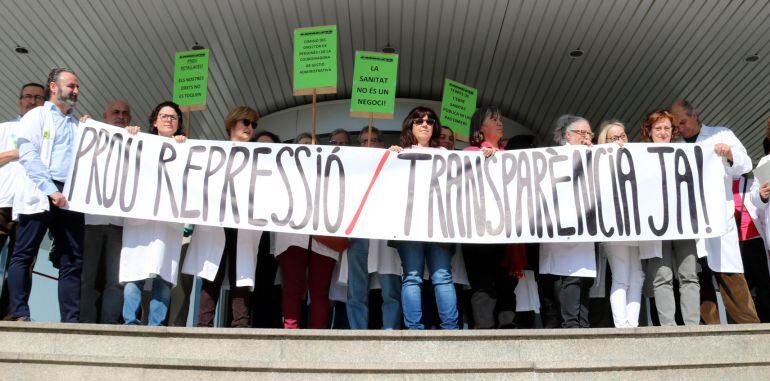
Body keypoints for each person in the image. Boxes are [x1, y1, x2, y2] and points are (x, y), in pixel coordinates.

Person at [672, 99, 759, 324]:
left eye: (683, 121)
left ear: (695, 115)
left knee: (731, 277)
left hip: (719, 219)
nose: (681, 128)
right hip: (690, 223)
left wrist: (730, 153)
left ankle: (752, 333)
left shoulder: (721, 134)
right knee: (698, 280)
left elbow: (746, 165)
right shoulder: (675, 147)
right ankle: (710, 336)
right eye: (677, 125)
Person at [8, 69, 83, 322]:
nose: (75, 91)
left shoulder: (78, 125)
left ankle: (71, 321)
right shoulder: (36, 116)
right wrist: (51, 190)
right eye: (71, 85)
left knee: (72, 257)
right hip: (42, 192)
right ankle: (19, 313)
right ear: (53, 87)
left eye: (77, 87)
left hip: (70, 196)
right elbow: (28, 154)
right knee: (24, 252)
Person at [182, 107, 263, 327]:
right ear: (232, 124)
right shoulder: (213, 153)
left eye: (253, 124)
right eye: (246, 122)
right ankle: (203, 325)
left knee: (241, 276)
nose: (249, 128)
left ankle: (240, 325)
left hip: (244, 223)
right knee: (211, 274)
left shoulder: (261, 158)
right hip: (217, 221)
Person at [389, 106, 459, 330]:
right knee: (412, 276)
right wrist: (388, 158)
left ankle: (450, 328)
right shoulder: (398, 154)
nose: (425, 124)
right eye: (419, 121)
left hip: (439, 224)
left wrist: (487, 155)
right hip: (408, 225)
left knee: (442, 276)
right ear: (411, 125)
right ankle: (414, 329)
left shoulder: (447, 156)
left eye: (429, 121)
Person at [119, 101, 187, 326]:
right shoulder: (138, 142)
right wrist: (128, 135)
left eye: (174, 117)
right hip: (141, 220)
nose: (168, 120)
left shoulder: (186, 149)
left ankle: (156, 325)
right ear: (154, 121)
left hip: (168, 223)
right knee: (135, 271)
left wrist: (183, 147)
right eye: (164, 116)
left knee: (164, 275)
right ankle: (130, 320)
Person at [639, 109, 700, 326]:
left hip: (683, 223)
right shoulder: (640, 157)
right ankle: (668, 328)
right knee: (661, 276)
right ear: (649, 131)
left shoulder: (686, 153)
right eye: (658, 128)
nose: (663, 133)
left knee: (689, 274)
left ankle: (692, 327)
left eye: (667, 128)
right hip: (657, 225)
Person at [461, 106, 518, 328]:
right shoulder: (469, 154)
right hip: (479, 230)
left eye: (500, 118)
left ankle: (507, 327)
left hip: (508, 229)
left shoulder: (514, 157)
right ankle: (485, 331)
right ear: (480, 127)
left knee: (506, 282)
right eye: (493, 119)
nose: (499, 122)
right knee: (483, 281)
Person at [539, 115, 596, 328]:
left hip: (587, 226)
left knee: (584, 277)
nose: (586, 137)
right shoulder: (553, 158)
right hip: (564, 226)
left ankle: (583, 324)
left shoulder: (595, 155)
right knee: (571, 275)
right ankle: (571, 325)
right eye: (582, 133)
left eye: (589, 134)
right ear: (568, 136)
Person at [79, 100, 132, 324]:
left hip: (120, 222)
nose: (120, 116)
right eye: (115, 112)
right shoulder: (91, 136)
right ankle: (84, 323)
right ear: (105, 115)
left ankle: (109, 324)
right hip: (92, 219)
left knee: (116, 279)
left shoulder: (136, 142)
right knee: (86, 277)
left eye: (124, 113)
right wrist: (83, 127)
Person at [346, 126, 402, 330]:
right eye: (363, 141)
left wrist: (397, 157)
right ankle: (357, 334)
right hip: (359, 233)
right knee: (357, 289)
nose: (368, 144)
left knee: (391, 289)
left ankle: (391, 333)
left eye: (374, 140)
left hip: (385, 233)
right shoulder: (352, 166)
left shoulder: (393, 163)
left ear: (382, 143)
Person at [0, 83, 45, 318]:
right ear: (19, 100)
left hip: (30, 203)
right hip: (3, 200)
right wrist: (18, 152)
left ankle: (10, 315)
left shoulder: (48, 133)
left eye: (38, 97)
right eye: (28, 96)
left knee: (23, 263)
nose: (33, 101)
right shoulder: (5, 129)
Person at [595, 120, 646, 327]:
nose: (620, 141)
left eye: (623, 135)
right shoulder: (597, 161)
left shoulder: (636, 158)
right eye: (614, 137)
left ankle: (632, 324)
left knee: (638, 275)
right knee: (621, 275)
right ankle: (621, 325)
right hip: (614, 226)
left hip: (635, 225)